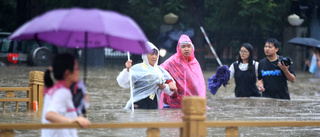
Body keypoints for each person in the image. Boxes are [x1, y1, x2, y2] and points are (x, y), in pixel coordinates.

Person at [42, 53, 91, 137]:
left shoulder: (54, 90)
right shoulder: (63, 93)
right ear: (67, 73)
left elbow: (76, 108)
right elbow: (49, 115)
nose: (78, 71)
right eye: (76, 69)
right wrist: (73, 121)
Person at [116, 42, 177, 109]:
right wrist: (127, 70)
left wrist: (164, 86)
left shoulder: (160, 70)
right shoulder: (137, 68)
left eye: (156, 54)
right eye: (151, 54)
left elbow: (172, 90)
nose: (154, 57)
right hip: (138, 104)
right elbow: (123, 82)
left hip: (153, 104)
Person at [160, 34, 206, 108]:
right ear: (179, 48)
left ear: (192, 48)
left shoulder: (194, 63)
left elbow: (199, 84)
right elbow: (159, 71)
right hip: (172, 103)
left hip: (190, 103)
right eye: (183, 46)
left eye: (188, 46)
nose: (186, 49)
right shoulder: (172, 61)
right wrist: (169, 81)